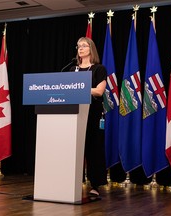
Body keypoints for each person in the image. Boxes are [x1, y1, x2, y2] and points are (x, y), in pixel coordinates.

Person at [70, 37, 108, 198]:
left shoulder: (99, 69)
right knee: (75, 149)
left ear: (91, 49)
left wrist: (79, 88)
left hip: (92, 114)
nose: (80, 48)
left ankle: (95, 184)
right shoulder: (72, 70)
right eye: (78, 46)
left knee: (93, 149)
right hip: (74, 113)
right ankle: (73, 180)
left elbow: (99, 91)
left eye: (84, 46)